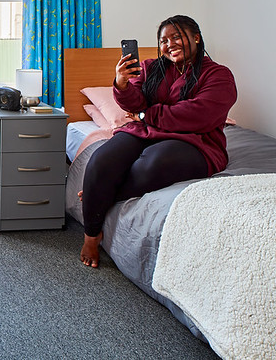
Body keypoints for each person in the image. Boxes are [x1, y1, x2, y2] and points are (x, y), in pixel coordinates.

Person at [79, 15, 237, 267]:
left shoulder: (218, 75)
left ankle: (99, 195)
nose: (170, 44)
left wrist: (145, 114)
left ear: (196, 37)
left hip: (196, 141)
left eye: (177, 37)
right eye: (164, 40)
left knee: (153, 164)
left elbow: (196, 115)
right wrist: (121, 83)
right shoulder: (151, 67)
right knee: (102, 160)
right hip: (146, 131)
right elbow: (134, 102)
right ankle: (91, 234)